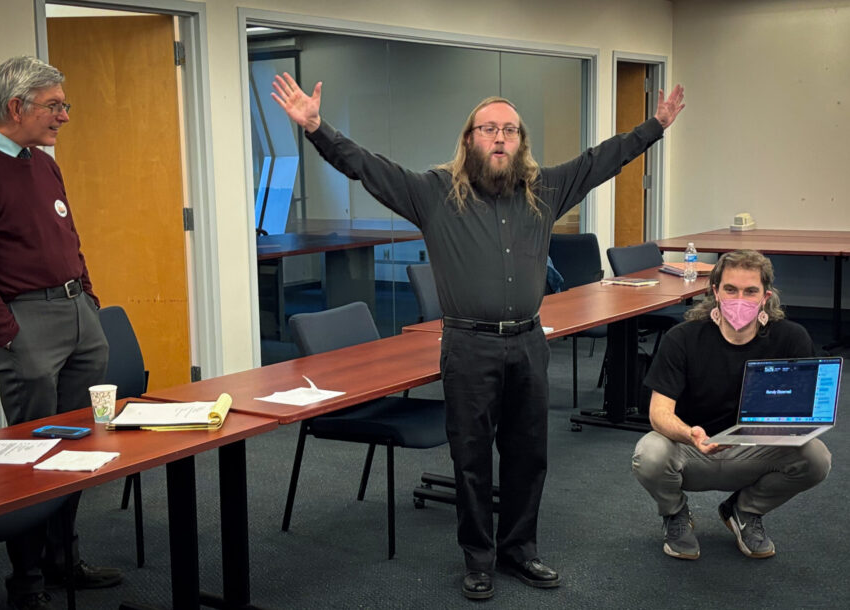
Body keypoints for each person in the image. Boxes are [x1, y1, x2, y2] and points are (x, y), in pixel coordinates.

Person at [272, 72, 684, 599]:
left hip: (530, 343)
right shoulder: (433, 193)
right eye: (488, 128)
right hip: (469, 346)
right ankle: (478, 558)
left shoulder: (544, 192)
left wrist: (654, 127)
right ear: (469, 137)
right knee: (470, 459)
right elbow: (366, 167)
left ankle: (520, 551)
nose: (499, 138)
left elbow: (600, 160)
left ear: (520, 142)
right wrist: (316, 128)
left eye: (510, 130)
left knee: (528, 453)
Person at [0, 56, 121, 609]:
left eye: (64, 104)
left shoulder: (43, 163)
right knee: (30, 458)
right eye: (54, 105)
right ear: (16, 107)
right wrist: (11, 336)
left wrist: (87, 296)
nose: (64, 116)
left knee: (75, 448)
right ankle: (28, 582)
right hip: (27, 326)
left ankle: (64, 559)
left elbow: (69, 235)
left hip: (77, 315)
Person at [632, 249, 831, 561]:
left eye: (750, 291)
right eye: (730, 289)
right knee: (649, 454)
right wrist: (690, 434)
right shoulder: (682, 338)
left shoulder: (791, 338)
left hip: (757, 449)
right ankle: (675, 514)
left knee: (817, 457)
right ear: (715, 292)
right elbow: (659, 413)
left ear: (765, 296)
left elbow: (805, 411)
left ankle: (744, 510)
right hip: (693, 448)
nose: (740, 299)